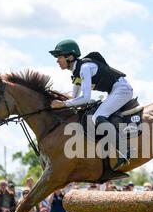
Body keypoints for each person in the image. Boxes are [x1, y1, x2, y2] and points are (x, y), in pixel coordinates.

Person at [49, 39, 134, 170]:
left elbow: (86, 98)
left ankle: (124, 150)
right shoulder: (76, 73)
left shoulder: (84, 68)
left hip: (122, 90)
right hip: (114, 91)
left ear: (70, 57)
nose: (57, 61)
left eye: (59, 57)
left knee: (97, 117)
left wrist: (63, 104)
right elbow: (75, 98)